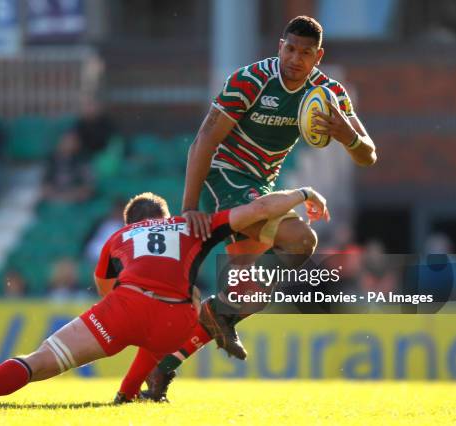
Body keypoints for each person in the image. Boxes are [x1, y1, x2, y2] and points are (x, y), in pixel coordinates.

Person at [135, 15, 377, 401]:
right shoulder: (251, 80)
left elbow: (368, 155)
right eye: (290, 48)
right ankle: (219, 311)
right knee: (299, 239)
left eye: (306, 53)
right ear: (279, 46)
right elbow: (204, 138)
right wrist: (189, 206)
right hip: (225, 177)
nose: (295, 58)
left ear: (319, 56)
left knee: (248, 293)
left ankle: (162, 369)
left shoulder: (329, 94)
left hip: (260, 187)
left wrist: (349, 137)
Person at [0, 186, 329, 406]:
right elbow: (259, 211)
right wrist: (303, 194)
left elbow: (109, 292)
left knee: (41, 361)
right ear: (165, 217)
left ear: (130, 221)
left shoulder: (118, 236)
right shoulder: (192, 225)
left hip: (125, 306)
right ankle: (130, 394)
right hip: (176, 320)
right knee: (190, 302)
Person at [41, 132, 95, 203]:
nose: (66, 144)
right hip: (54, 196)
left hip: (75, 197)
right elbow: (44, 183)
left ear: (77, 144)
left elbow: (89, 185)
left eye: (70, 142)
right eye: (64, 141)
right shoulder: (50, 160)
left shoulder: (83, 160)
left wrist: (72, 194)